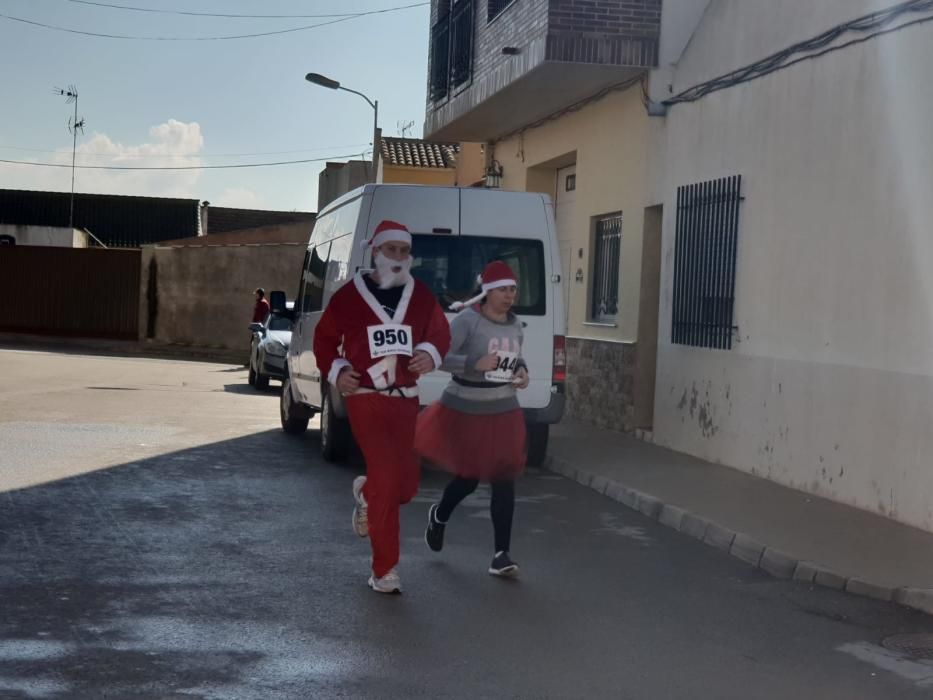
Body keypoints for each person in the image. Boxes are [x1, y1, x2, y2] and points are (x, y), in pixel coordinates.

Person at [313, 220, 451, 594]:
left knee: (405, 485)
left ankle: (366, 494)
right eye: (391, 250)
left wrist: (429, 352)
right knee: (389, 479)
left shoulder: (420, 295)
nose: (398, 257)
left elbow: (440, 333)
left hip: (406, 402)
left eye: (404, 251)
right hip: (366, 400)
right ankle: (384, 570)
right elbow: (324, 338)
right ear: (375, 252)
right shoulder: (349, 296)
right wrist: (337, 370)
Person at [415, 261, 529, 578]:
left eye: (513, 290)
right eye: (503, 290)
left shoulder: (516, 325)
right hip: (465, 408)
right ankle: (439, 515)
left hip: (504, 409)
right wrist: (474, 363)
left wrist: (522, 372)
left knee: (504, 478)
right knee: (467, 479)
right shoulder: (468, 321)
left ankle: (500, 554)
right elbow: (439, 358)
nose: (509, 296)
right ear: (488, 292)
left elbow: (516, 358)